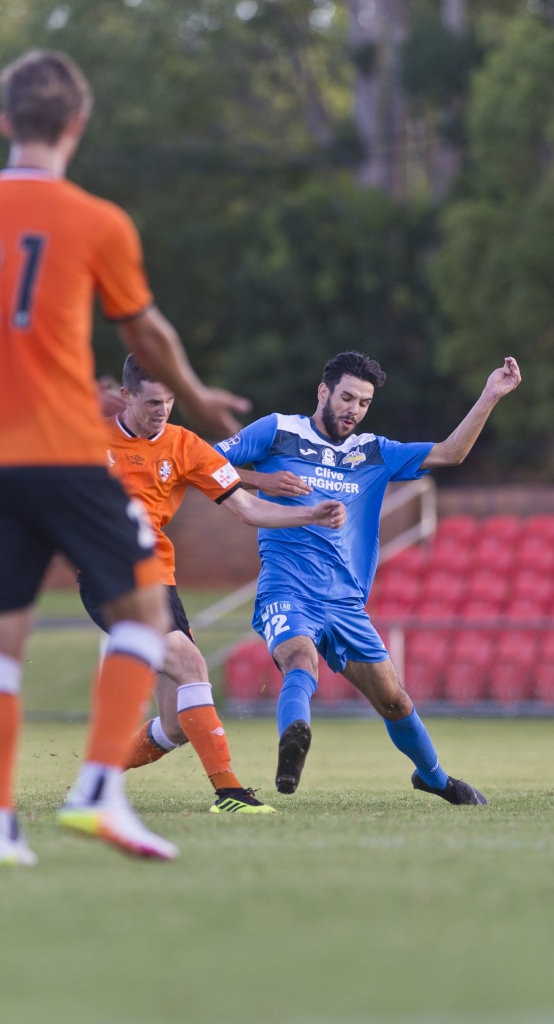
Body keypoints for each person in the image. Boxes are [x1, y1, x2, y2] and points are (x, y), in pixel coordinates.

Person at [0, 49, 251, 865]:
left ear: (5, 121)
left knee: (7, 645)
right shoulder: (97, 220)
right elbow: (146, 332)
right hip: (68, 452)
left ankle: (4, 826)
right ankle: (98, 793)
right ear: (77, 125)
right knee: (149, 612)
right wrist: (202, 396)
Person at [215, 350, 522, 804]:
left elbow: (451, 453)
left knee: (394, 700)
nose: (353, 410)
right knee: (300, 660)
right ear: (323, 392)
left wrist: (490, 396)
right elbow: (200, 463)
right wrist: (261, 482)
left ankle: (434, 778)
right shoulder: (277, 431)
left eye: (362, 403)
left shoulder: (374, 452)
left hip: (346, 604)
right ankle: (293, 744)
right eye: (345, 398)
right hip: (287, 589)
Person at [79, 355, 345, 814]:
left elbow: (248, 509)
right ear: (126, 396)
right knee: (191, 664)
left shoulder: (185, 446)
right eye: (151, 402)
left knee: (176, 724)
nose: (162, 410)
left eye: (168, 401)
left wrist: (310, 514)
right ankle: (229, 793)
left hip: (159, 582)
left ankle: (94, 780)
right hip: (108, 576)